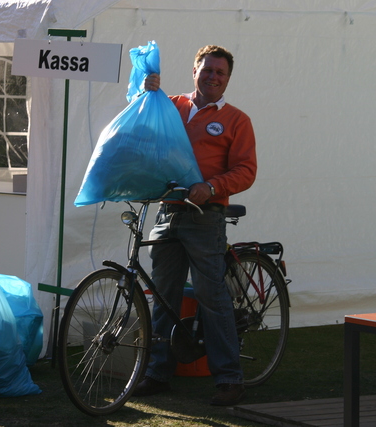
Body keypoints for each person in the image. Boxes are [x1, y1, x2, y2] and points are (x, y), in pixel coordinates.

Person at [133, 45, 257, 406]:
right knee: (163, 296)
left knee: (210, 296)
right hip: (167, 211)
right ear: (194, 71)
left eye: (220, 73)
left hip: (206, 218)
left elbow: (246, 170)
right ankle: (158, 372)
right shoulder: (170, 104)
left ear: (228, 79)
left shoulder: (237, 120)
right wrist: (146, 92)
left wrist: (213, 186)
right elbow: (139, 125)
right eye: (207, 70)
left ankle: (230, 380)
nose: (213, 77)